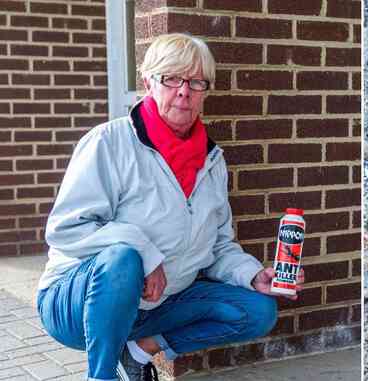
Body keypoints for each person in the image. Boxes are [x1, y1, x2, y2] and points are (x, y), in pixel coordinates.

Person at [36, 33, 304, 381]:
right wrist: (145, 251)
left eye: (196, 81)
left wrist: (253, 275)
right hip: (77, 303)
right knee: (123, 257)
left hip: (158, 305)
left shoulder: (212, 161)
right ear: (148, 82)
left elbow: (219, 246)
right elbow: (66, 228)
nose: (184, 91)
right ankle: (101, 375)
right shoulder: (109, 142)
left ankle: (138, 350)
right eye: (172, 78)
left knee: (257, 310)